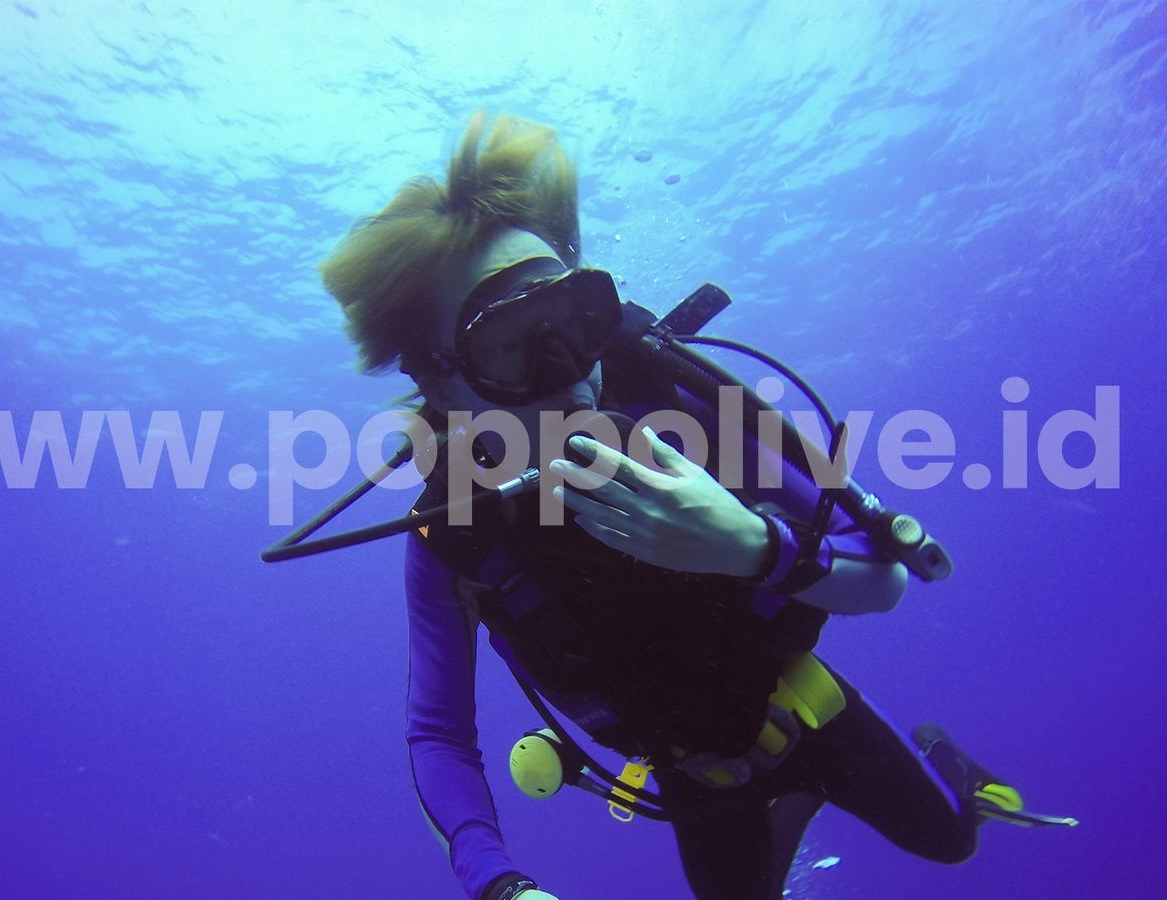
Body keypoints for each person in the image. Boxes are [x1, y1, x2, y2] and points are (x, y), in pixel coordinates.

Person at [318, 112, 1046, 900]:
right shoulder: (455, 534)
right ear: (439, 379)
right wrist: (500, 886)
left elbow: (886, 578)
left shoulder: (676, 406)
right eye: (509, 343)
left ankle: (946, 762)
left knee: (952, 845)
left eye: (575, 320)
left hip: (810, 707)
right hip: (695, 781)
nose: (569, 369)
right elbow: (439, 733)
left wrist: (751, 545)